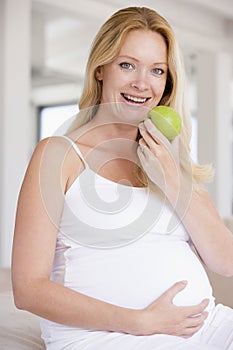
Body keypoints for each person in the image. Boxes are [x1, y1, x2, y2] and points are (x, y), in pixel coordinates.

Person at [12, 6, 233, 350]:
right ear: (101, 69)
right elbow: (27, 289)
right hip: (109, 336)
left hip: (209, 328)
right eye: (127, 65)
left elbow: (225, 260)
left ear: (167, 83)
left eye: (157, 70)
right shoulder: (59, 154)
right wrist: (140, 321)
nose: (142, 83)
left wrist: (172, 178)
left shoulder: (170, 159)